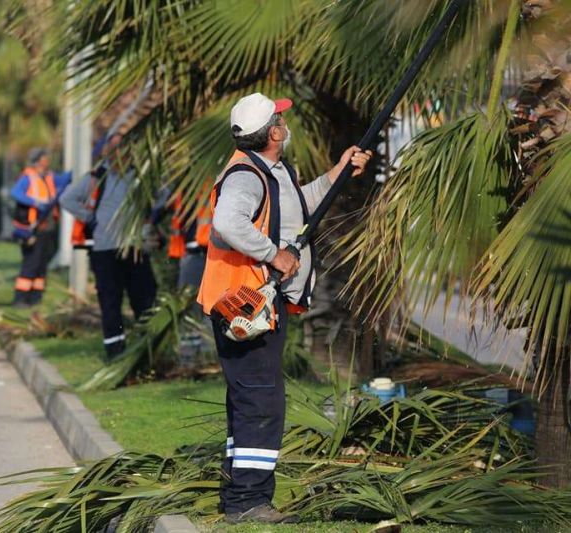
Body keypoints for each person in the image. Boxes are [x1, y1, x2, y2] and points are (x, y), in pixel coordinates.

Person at [197, 93, 372, 524]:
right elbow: (226, 221)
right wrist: (274, 255)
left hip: (257, 304)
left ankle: (239, 492)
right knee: (260, 400)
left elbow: (301, 208)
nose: (284, 122)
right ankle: (249, 502)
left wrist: (338, 171)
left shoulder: (271, 171)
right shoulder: (246, 175)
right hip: (244, 305)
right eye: (281, 119)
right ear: (274, 133)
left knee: (251, 397)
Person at [59, 134, 157, 359]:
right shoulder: (96, 178)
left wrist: (152, 218)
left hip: (134, 248)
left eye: (123, 149)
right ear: (105, 153)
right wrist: (91, 218)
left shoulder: (140, 176)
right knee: (110, 302)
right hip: (105, 250)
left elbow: (161, 197)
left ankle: (146, 350)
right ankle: (116, 354)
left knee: (144, 299)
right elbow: (67, 199)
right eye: (113, 150)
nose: (118, 155)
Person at [10, 148, 70, 307]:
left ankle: (36, 298)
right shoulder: (28, 177)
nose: (47, 160)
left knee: (42, 265)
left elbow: (64, 180)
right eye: (45, 158)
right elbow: (16, 192)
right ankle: (21, 298)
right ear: (39, 160)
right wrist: (35, 203)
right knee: (31, 263)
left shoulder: (50, 177)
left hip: (48, 228)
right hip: (33, 228)